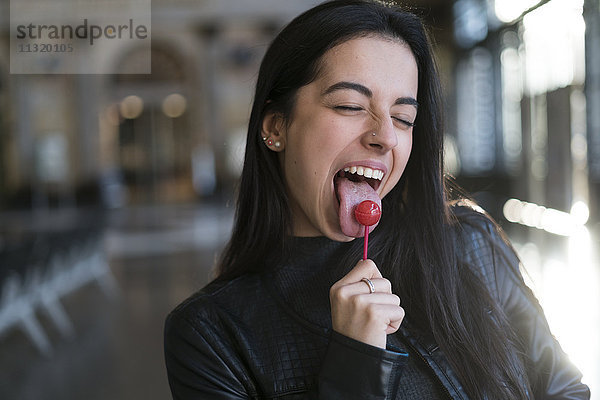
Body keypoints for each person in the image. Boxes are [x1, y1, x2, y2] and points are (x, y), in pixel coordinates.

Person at [164, 1, 591, 398]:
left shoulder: (472, 243)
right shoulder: (211, 335)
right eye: (350, 105)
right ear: (276, 127)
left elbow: (564, 389)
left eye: (404, 118)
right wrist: (355, 363)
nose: (384, 136)